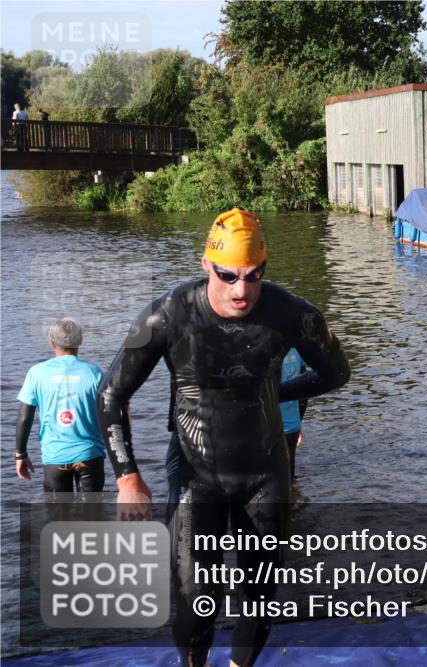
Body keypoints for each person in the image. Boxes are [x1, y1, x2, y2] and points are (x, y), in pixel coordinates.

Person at [97, 208, 351, 667]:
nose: (241, 290)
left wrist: (272, 393)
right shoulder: (167, 314)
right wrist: (128, 477)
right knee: (195, 595)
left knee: (259, 594)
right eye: (228, 275)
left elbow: (336, 373)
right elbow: (111, 395)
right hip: (197, 473)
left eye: (254, 276)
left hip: (264, 471)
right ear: (206, 265)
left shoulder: (291, 313)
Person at [15, 318, 106, 494]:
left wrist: (21, 454)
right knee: (92, 511)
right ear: (80, 341)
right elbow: (111, 414)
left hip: (55, 457)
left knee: (59, 511)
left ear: (52, 343)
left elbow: (25, 418)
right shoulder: (94, 373)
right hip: (90, 455)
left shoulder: (37, 373)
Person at [280, 347, 309, 482]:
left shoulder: (264, 348)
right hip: (292, 423)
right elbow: (304, 393)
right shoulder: (297, 350)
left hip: (267, 422)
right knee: (290, 476)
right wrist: (299, 421)